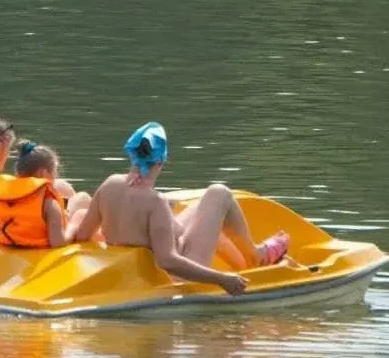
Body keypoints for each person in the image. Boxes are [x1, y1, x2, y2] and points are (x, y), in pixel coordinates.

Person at [68, 122, 289, 295]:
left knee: (200, 204)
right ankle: (257, 255)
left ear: (131, 155)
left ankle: (251, 256)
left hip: (135, 264)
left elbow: (84, 234)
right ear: (161, 162)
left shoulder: (109, 185)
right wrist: (222, 279)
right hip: (174, 275)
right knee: (219, 193)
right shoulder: (154, 202)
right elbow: (168, 261)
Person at [0, 140, 92, 248]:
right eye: (54, 172)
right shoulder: (49, 204)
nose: (55, 177)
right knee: (82, 205)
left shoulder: (6, 196)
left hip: (13, 242)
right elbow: (58, 242)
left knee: (66, 189)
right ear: (42, 173)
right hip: (41, 247)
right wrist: (73, 226)